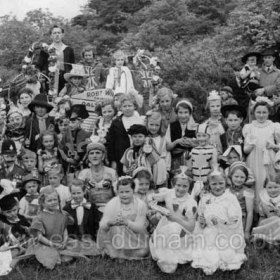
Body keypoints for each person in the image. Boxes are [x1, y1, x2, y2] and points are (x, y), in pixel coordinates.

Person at [191, 168, 246, 275]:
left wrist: (222, 222)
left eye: (221, 183)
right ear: (209, 184)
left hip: (226, 233)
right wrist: (202, 221)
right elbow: (201, 215)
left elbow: (236, 219)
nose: (218, 187)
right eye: (214, 184)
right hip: (210, 232)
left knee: (227, 254)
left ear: (226, 183)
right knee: (207, 251)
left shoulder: (230, 198)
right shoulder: (205, 198)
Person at [149, 167, 197, 273]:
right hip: (167, 224)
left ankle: (173, 255)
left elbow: (191, 227)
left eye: (185, 186)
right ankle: (165, 252)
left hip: (183, 230)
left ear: (190, 187)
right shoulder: (169, 193)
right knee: (162, 236)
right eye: (178, 185)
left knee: (173, 229)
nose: (181, 189)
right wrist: (153, 204)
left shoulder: (191, 203)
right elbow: (153, 197)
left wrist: (175, 218)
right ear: (173, 184)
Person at [97, 176, 149, 260]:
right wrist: (109, 223)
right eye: (121, 192)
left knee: (144, 251)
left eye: (127, 192)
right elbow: (102, 225)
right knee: (117, 229)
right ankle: (117, 252)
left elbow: (140, 227)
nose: (124, 195)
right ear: (117, 192)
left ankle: (120, 254)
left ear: (133, 191)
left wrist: (128, 223)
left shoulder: (140, 204)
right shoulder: (112, 203)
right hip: (114, 236)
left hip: (133, 236)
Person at [243, 97, 280, 206]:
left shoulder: (274, 126)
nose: (261, 115)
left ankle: (270, 207)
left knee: (269, 181)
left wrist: (273, 145)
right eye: (258, 112)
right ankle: (255, 210)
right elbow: (245, 149)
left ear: (269, 113)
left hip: (269, 158)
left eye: (264, 112)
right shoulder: (249, 127)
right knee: (256, 182)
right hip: (254, 159)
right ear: (254, 112)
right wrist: (251, 145)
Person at [106, 93, 144, 175]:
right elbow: (110, 142)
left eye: (129, 106)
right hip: (120, 156)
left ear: (134, 106)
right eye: (124, 106)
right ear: (120, 108)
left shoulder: (140, 120)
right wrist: (113, 160)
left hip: (138, 156)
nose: (127, 108)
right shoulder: (116, 122)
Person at [34, 25, 75, 92]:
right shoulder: (45, 49)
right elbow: (38, 66)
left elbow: (72, 66)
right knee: (52, 99)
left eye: (59, 33)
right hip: (51, 79)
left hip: (66, 79)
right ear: (51, 36)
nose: (57, 35)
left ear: (62, 35)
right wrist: (40, 77)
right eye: (54, 33)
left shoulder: (69, 49)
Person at [78, 142, 117, 212]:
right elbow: (78, 195)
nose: (94, 156)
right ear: (88, 156)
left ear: (103, 156)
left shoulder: (111, 172)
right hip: (89, 210)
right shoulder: (83, 174)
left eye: (98, 153)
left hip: (109, 209)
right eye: (91, 153)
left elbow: (117, 193)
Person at [188, 123, 218, 200]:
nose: (201, 138)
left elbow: (214, 168)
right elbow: (190, 167)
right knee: (194, 200)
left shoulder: (212, 150)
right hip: (195, 181)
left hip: (206, 182)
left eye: (204, 136)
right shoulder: (194, 150)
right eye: (199, 136)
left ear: (209, 136)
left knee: (206, 200)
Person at [166, 99, 197, 170]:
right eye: (180, 112)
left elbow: (201, 144)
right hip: (175, 160)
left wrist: (192, 143)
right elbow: (167, 147)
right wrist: (177, 141)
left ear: (190, 113)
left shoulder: (195, 126)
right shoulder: (171, 126)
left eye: (186, 112)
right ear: (176, 113)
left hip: (192, 160)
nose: (183, 116)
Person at [228, 161, 254, 240]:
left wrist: (247, 231)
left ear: (246, 178)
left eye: (242, 177)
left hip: (240, 218)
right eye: (236, 176)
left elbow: (250, 212)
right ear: (231, 176)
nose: (239, 179)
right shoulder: (226, 189)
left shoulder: (247, 191)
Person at [252, 174, 280, 244]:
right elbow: (262, 217)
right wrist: (260, 227)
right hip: (269, 223)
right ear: (265, 188)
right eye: (269, 187)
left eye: (276, 187)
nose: (273, 190)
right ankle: (264, 238)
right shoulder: (264, 200)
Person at [146, 111, 170, 187]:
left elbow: (167, 155)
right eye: (151, 124)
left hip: (161, 168)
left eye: (157, 125)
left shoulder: (163, 139)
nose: (154, 127)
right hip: (148, 167)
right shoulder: (144, 138)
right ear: (147, 124)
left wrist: (167, 169)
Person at [204, 90, 225, 155]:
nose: (215, 108)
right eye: (212, 106)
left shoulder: (225, 123)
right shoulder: (205, 124)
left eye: (218, 106)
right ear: (209, 107)